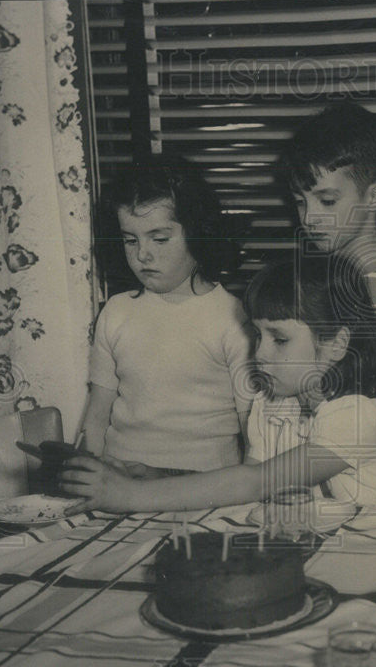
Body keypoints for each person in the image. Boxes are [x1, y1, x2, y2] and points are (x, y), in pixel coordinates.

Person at [62, 253, 376, 512]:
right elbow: (250, 479)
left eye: (279, 339)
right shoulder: (273, 403)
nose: (259, 353)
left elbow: (257, 482)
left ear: (337, 343)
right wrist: (154, 476)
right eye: (258, 336)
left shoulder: (357, 415)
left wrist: (131, 496)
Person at [80, 157, 254, 474]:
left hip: (201, 488)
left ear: (199, 232)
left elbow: (252, 430)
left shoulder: (233, 318)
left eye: (159, 239)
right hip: (120, 481)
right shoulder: (116, 312)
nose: (142, 254)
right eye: (130, 240)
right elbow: (97, 415)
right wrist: (87, 473)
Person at [280, 100, 376, 431]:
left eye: (327, 201)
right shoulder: (303, 284)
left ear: (375, 197)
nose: (309, 218)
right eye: (299, 201)